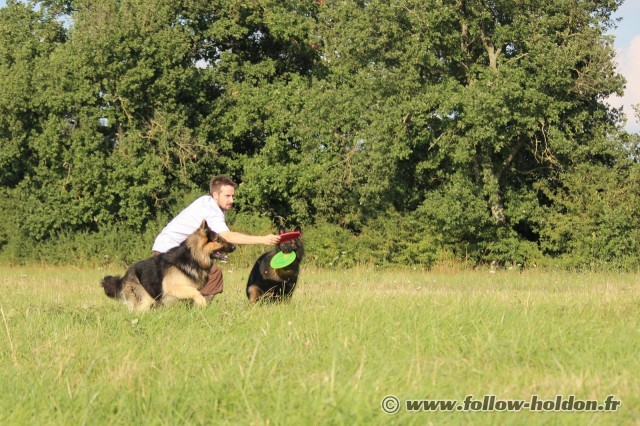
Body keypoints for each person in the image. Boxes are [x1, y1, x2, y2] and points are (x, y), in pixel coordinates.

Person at [152, 175, 281, 300]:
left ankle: (191, 309)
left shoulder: (206, 201)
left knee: (179, 287)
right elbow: (227, 236)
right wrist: (262, 239)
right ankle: (199, 311)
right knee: (212, 274)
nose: (231, 200)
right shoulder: (211, 210)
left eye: (232, 196)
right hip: (169, 251)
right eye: (227, 196)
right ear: (215, 195)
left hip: (170, 249)